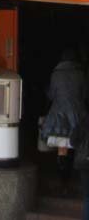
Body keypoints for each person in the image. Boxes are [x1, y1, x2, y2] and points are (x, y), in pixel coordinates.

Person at [42, 49, 87, 180]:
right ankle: (76, 175)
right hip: (77, 114)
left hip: (58, 115)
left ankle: (63, 177)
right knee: (79, 144)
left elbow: (51, 95)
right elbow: (84, 95)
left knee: (62, 147)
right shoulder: (81, 74)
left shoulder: (55, 74)